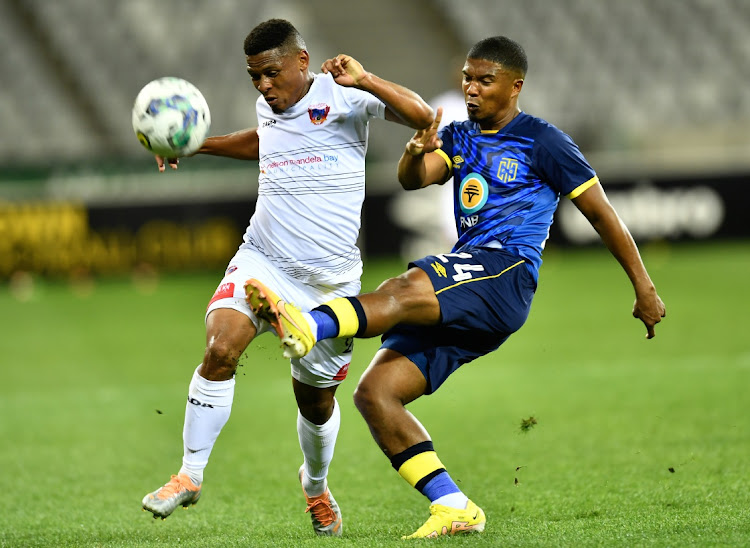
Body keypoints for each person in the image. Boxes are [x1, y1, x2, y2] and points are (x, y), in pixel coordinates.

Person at [245, 35, 666, 539]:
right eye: (467, 78)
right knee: (375, 393)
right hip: (471, 285)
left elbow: (602, 214)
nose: (471, 88)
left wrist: (644, 288)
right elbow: (414, 179)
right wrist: (412, 151)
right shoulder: (462, 136)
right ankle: (453, 506)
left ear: (515, 86)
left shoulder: (544, 141)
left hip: (505, 273)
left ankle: (308, 324)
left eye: (484, 80)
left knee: (401, 288)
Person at [140, 19, 433, 537]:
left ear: (302, 61)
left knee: (316, 402)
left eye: (271, 74)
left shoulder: (344, 96)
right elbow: (265, 142)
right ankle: (188, 474)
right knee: (221, 348)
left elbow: (421, 116)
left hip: (330, 284)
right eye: (255, 77)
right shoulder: (269, 106)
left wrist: (365, 80)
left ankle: (316, 486)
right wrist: (198, 145)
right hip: (264, 260)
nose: (263, 86)